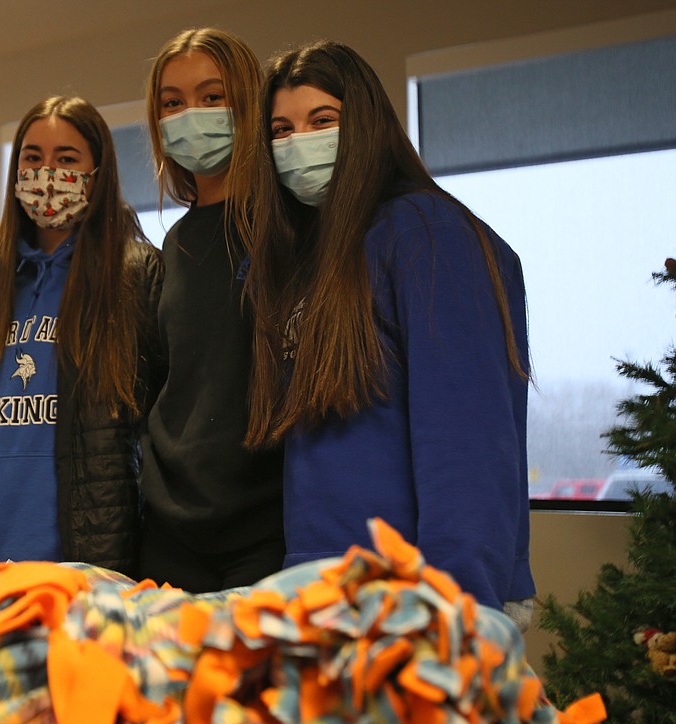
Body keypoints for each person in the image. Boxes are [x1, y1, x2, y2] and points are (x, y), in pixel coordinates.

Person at [246, 40, 535, 623]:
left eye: (321, 120)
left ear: (368, 125)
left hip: (416, 596)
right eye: (280, 130)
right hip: (322, 585)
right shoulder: (313, 259)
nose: (297, 143)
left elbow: (467, 439)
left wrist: (460, 611)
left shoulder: (427, 232)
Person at [0, 96, 163, 575]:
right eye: (32, 158)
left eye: (66, 159)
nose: (47, 173)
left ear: (98, 172)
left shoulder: (134, 273)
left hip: (87, 565)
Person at [136, 28, 286, 592]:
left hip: (264, 534)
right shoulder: (173, 245)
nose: (189, 114)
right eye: (171, 103)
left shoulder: (287, 231)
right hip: (170, 532)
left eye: (210, 96)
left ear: (246, 103)